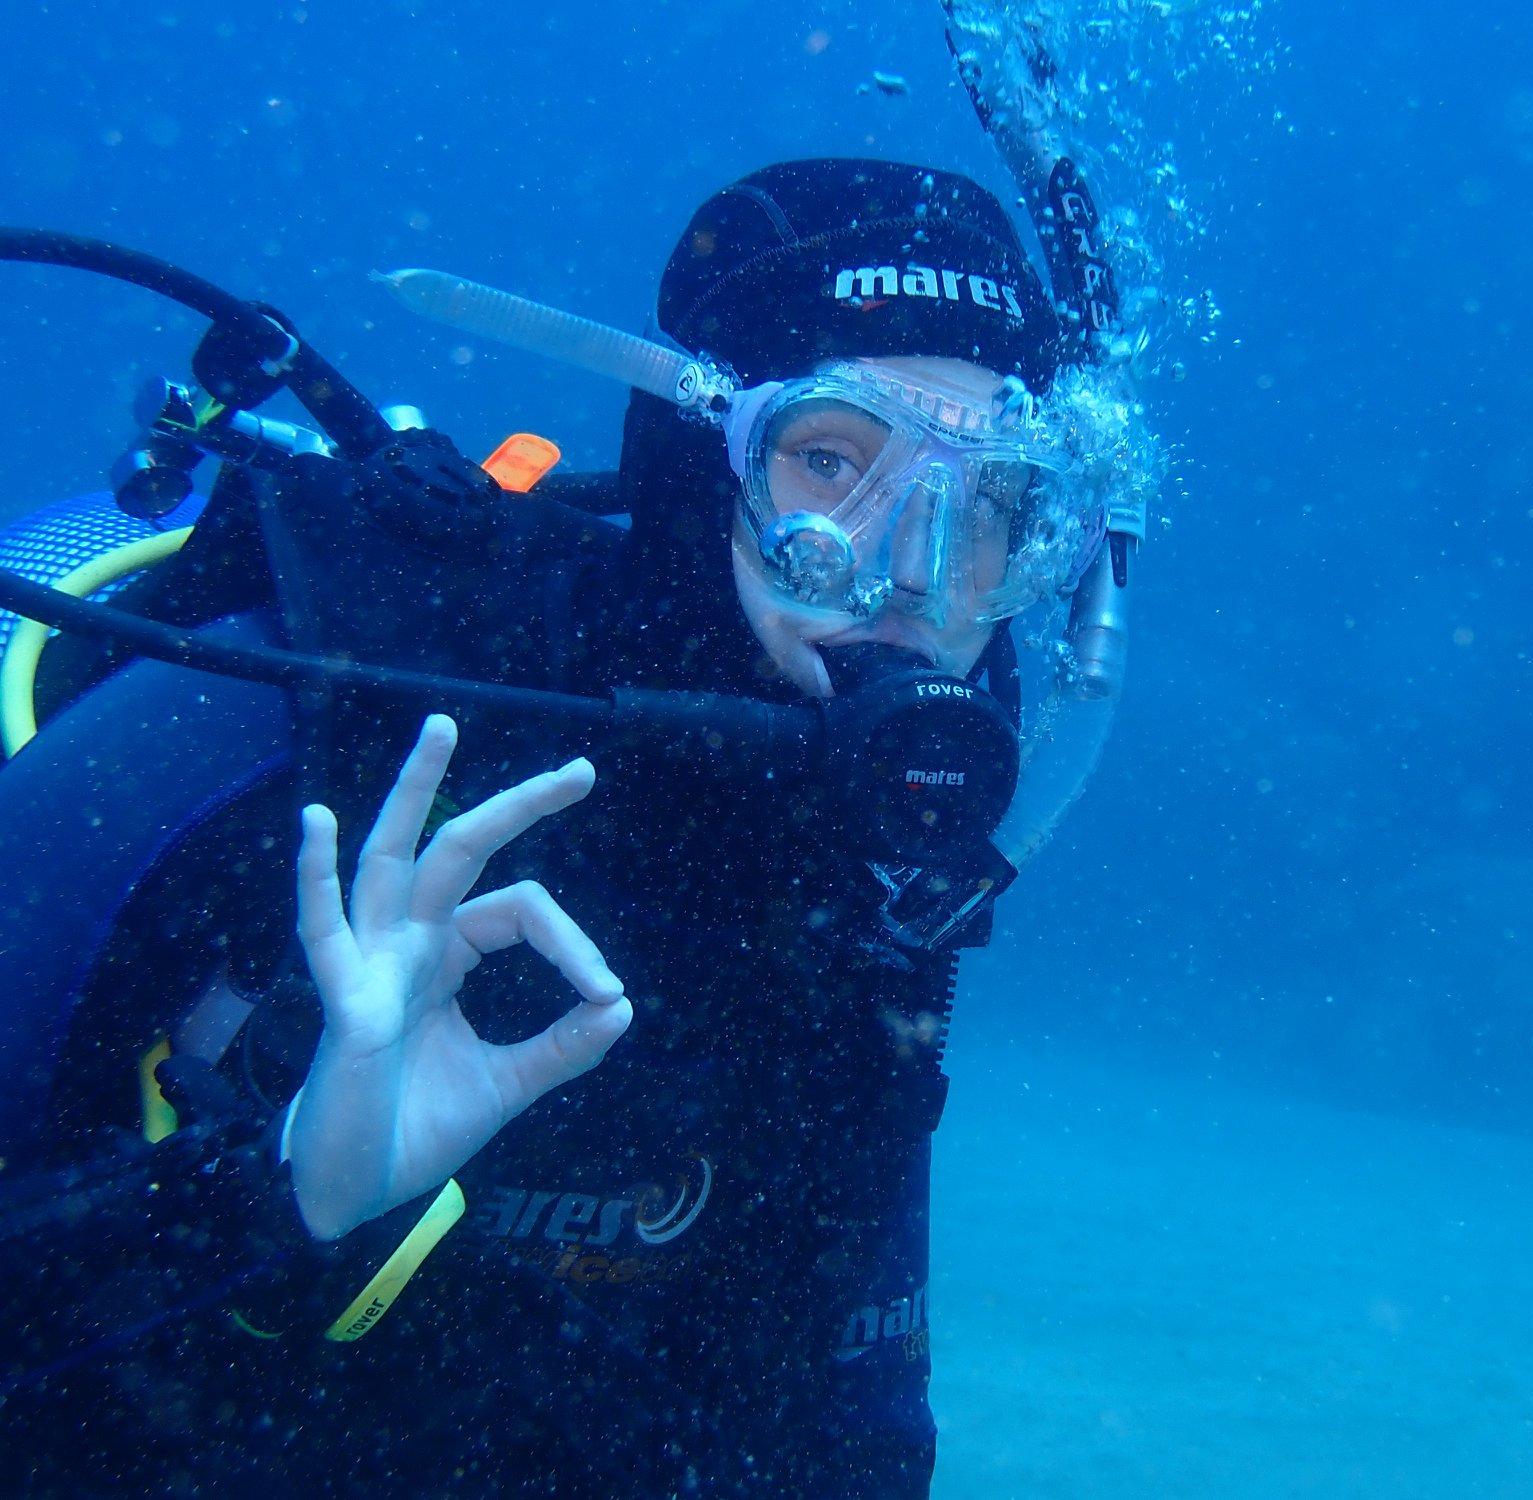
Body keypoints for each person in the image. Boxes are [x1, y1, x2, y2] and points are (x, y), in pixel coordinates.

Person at [0, 157, 1132, 1495]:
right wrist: (276, 1192)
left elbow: (843, 1429)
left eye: (991, 505)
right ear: (701, 458)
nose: (909, 575)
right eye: (831, 462)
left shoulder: (870, 877)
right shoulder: (326, 702)